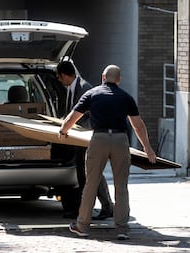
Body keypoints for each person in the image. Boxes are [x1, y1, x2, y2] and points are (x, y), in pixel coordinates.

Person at [58, 64, 157, 240]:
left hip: (99, 139)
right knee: (121, 185)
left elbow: (73, 116)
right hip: (120, 140)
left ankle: (82, 226)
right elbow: (138, 124)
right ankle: (121, 229)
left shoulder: (91, 94)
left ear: (103, 77)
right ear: (119, 80)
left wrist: (63, 131)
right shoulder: (126, 97)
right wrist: (147, 148)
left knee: (91, 183)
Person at [56, 61, 114, 220]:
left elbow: (89, 115)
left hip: (88, 136)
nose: (60, 82)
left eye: (59, 78)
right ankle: (87, 208)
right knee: (85, 173)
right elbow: (72, 112)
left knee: (92, 172)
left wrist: (71, 126)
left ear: (64, 75)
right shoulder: (73, 88)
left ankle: (106, 206)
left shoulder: (84, 88)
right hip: (79, 138)